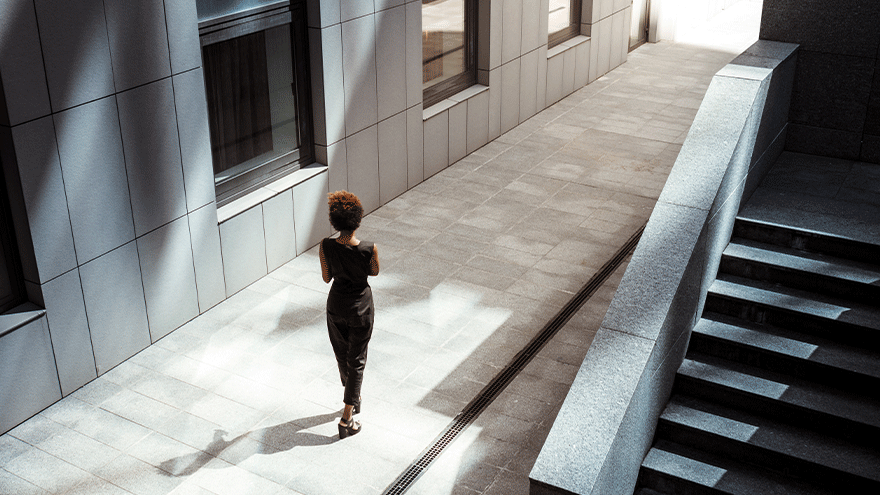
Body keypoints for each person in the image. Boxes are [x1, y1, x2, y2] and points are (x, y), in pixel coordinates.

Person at [319, 191, 380, 439]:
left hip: (336, 307)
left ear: (335, 221)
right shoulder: (369, 248)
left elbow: (326, 277)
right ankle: (347, 418)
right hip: (361, 309)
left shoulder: (326, 246)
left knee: (342, 355)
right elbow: (374, 272)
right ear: (358, 220)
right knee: (357, 360)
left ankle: (353, 396)